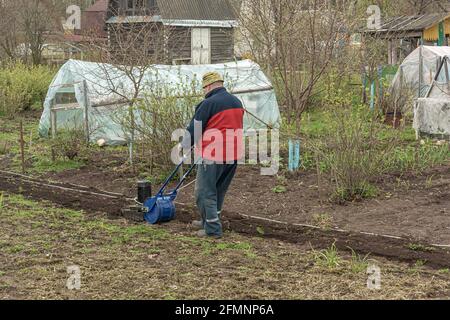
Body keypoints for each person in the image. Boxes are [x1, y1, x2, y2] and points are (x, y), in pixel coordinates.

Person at [182, 71, 244, 239]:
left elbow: (195, 128)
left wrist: (184, 145)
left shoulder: (208, 103)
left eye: (204, 88)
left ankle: (212, 230)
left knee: (204, 192)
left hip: (213, 154)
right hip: (233, 153)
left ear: (208, 86)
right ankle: (207, 221)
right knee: (218, 190)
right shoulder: (236, 102)